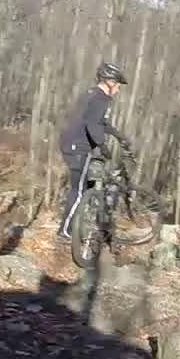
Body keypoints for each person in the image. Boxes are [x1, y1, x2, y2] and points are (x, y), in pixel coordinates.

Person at [58, 61, 135, 239]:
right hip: (79, 147)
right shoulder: (101, 98)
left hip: (72, 144)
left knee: (84, 187)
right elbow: (92, 124)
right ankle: (65, 231)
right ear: (109, 81)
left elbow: (99, 122)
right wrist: (102, 145)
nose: (118, 89)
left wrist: (118, 135)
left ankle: (73, 227)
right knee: (78, 191)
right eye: (118, 85)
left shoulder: (92, 95)